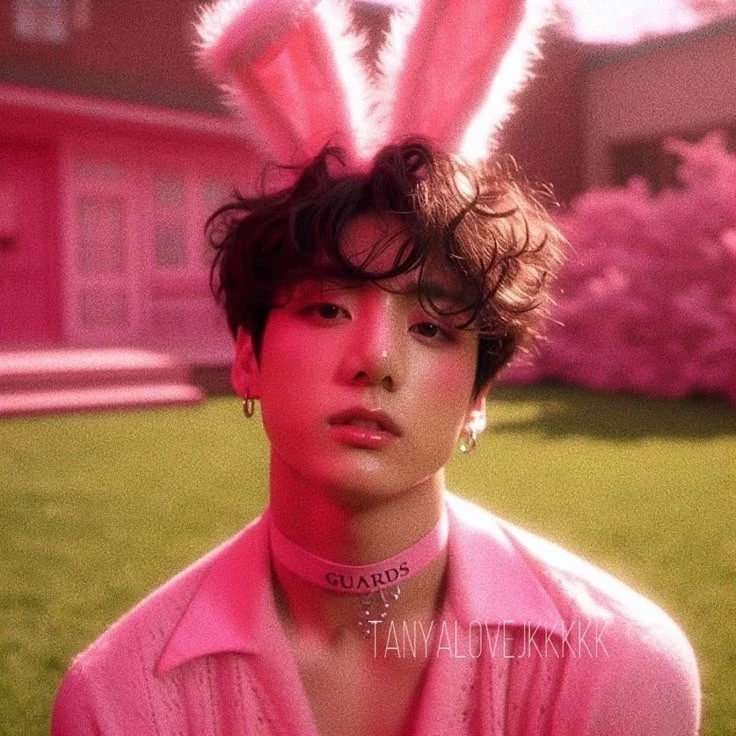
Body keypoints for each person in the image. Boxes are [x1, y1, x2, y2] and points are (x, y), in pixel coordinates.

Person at [51, 140, 701, 735]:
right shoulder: (115, 702)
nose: (376, 359)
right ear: (248, 358)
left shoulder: (621, 671)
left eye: (432, 327)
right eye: (326, 309)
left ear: (478, 397)